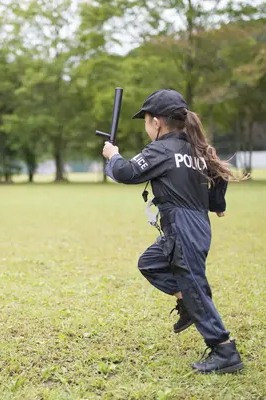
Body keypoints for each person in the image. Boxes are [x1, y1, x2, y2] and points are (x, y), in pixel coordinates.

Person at [102, 89, 245, 374]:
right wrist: (217, 204)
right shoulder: (198, 148)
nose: (146, 127)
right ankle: (188, 302)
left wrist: (113, 156)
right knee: (151, 262)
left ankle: (225, 350)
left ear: (157, 122)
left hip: (182, 226)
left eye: (145, 121)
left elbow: (126, 173)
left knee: (194, 287)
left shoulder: (162, 150)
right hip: (196, 225)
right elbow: (217, 174)